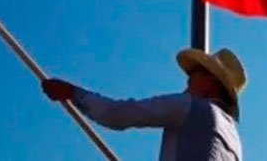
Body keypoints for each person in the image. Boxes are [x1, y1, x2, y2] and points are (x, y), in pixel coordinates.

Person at [42, 47, 246, 161]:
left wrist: (73, 93)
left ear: (212, 80)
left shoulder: (188, 107)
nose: (189, 78)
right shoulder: (235, 142)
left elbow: (116, 114)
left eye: (196, 72)